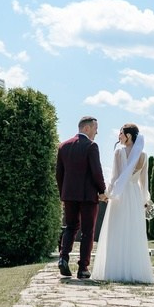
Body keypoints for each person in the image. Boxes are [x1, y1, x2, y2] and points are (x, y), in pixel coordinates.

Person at [91, 123, 154, 284]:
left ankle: (114, 269)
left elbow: (114, 178)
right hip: (134, 195)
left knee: (117, 229)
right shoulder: (143, 155)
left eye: (121, 133)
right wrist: (145, 199)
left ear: (129, 136)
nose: (118, 136)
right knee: (133, 231)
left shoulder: (119, 152)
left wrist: (108, 194)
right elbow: (143, 181)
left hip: (120, 195)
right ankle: (134, 270)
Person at [56, 116, 107, 279]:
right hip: (87, 196)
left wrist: (62, 194)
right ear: (86, 128)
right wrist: (102, 190)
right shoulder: (91, 146)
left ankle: (63, 258)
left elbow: (59, 174)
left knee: (70, 227)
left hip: (69, 195)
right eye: (95, 128)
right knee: (87, 231)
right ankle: (83, 267)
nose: (97, 132)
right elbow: (96, 172)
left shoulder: (63, 146)